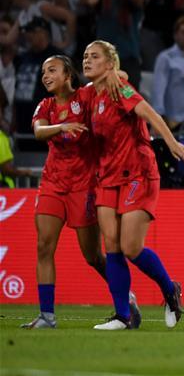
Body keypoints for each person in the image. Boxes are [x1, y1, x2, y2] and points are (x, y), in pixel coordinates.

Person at [21, 56, 137, 329]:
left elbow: (122, 76)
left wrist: (109, 73)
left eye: (52, 70)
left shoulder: (85, 96)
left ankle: (125, 297)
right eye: (43, 72)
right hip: (52, 184)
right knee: (43, 247)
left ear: (68, 75)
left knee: (93, 256)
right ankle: (47, 316)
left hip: (83, 185)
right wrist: (61, 127)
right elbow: (39, 133)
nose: (45, 76)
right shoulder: (45, 106)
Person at [82, 40, 184, 330]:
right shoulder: (90, 95)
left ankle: (170, 291)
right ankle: (123, 316)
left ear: (109, 63)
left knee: (131, 246)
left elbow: (150, 114)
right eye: (85, 56)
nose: (87, 60)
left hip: (137, 173)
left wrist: (172, 143)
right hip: (107, 177)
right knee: (113, 246)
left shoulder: (121, 89)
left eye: (95, 56)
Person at [12, 18, 55, 135]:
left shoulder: (56, 57)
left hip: (44, 122)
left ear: (44, 33)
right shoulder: (22, 58)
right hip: (22, 120)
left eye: (33, 31)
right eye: (27, 32)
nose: (28, 35)